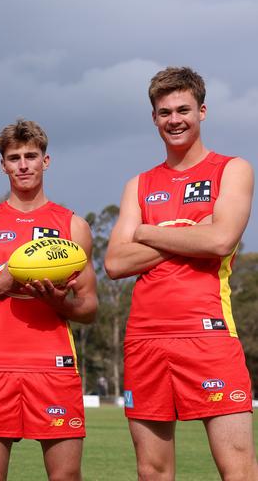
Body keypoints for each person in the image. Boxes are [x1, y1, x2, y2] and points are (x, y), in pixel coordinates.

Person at [105, 66, 257, 480]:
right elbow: (116, 262)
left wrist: (148, 231)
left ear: (202, 111)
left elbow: (220, 241)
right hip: (145, 339)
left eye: (183, 109)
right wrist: (188, 232)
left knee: (239, 469)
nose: (175, 119)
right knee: (152, 471)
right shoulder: (139, 184)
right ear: (154, 118)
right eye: (164, 111)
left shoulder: (232, 169)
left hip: (208, 334)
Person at [0, 119, 97, 481]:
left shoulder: (72, 226)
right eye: (14, 158)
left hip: (53, 367)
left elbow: (89, 307)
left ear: (46, 161)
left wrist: (58, 302)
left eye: (31, 156)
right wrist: (1, 286)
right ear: (3, 165)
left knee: (65, 477)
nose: (23, 165)